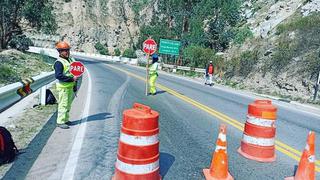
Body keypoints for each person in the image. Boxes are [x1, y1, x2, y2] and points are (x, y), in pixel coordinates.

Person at [54, 41, 78, 129]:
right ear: (60, 52)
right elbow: (58, 76)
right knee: (63, 105)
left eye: (68, 50)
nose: (67, 52)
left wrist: (74, 83)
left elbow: (74, 71)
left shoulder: (70, 60)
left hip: (70, 86)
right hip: (63, 87)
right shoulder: (59, 63)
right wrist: (72, 79)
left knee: (68, 105)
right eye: (64, 50)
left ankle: (65, 119)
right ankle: (60, 122)